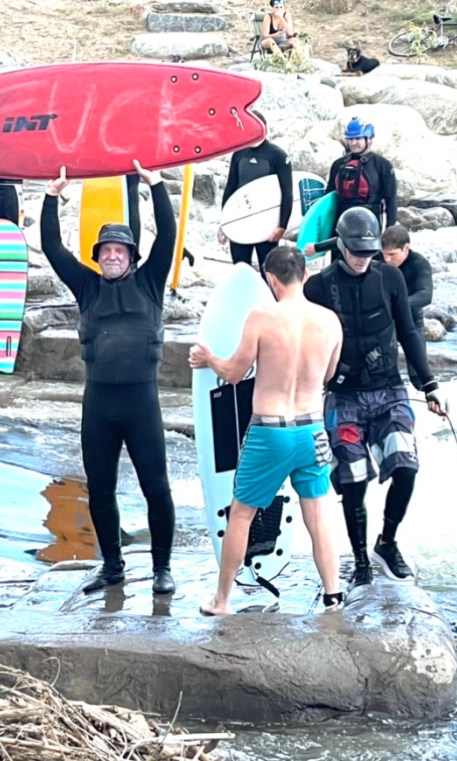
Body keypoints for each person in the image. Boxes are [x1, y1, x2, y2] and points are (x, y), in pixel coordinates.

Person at [41, 161, 178, 596]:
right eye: (105, 251)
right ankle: (113, 567)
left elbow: (169, 237)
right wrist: (52, 195)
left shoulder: (151, 283)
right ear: (97, 257)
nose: (112, 255)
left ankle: (161, 569)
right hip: (99, 405)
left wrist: (156, 186)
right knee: (100, 489)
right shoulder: (87, 287)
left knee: (156, 486)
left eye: (119, 250)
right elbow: (51, 246)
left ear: (132, 257)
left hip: (141, 404)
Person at [189, 245, 344, 614]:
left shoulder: (261, 317)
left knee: (241, 513)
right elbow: (328, 375)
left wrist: (208, 358)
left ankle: (222, 599)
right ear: (305, 276)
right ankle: (333, 595)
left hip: (270, 432)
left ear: (272, 280)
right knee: (318, 513)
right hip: (313, 431)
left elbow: (233, 373)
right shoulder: (330, 321)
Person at [303, 207, 446, 588]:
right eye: (356, 252)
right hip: (344, 394)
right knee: (352, 480)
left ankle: (387, 542)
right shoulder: (318, 287)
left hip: (388, 388)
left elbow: (409, 332)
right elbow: (303, 339)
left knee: (406, 466)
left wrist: (428, 383)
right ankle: (361, 561)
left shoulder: (391, 277)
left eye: (369, 253)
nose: (363, 259)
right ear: (341, 244)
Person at [304, 116, 397, 262]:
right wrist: (322, 235)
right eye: (350, 139)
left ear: (370, 138)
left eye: (358, 138)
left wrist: (390, 232)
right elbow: (328, 201)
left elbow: (391, 201)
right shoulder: (338, 165)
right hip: (341, 226)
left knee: (371, 268)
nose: (353, 143)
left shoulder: (383, 166)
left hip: (370, 226)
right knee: (339, 268)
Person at [218, 111, 292, 273]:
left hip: (266, 224)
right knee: (240, 271)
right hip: (239, 221)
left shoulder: (278, 155)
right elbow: (231, 188)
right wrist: (224, 224)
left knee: (269, 273)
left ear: (263, 128)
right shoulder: (239, 153)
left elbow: (288, 193)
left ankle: (269, 299)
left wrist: (282, 226)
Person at [381, 224, 433, 389]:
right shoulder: (377, 259)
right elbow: (346, 241)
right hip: (385, 322)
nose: (387, 260)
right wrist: (317, 247)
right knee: (381, 371)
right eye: (384, 255)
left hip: (411, 321)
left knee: (419, 377)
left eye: (392, 254)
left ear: (406, 248)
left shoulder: (419, 263)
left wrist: (399, 304)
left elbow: (426, 295)